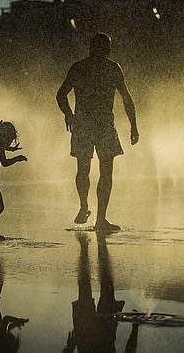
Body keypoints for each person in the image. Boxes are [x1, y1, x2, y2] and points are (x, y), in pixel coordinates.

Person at [56, 32, 139, 231]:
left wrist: (69, 114)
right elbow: (126, 98)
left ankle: (93, 213)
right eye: (104, 47)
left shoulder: (87, 67)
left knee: (91, 170)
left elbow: (61, 95)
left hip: (92, 125)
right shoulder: (105, 68)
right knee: (97, 171)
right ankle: (93, 213)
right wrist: (68, 114)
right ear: (96, 48)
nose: (106, 50)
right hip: (97, 125)